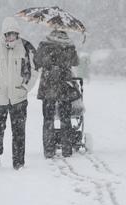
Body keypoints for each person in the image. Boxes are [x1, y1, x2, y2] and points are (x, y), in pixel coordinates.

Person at [0, 17, 38, 170]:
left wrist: (25, 87)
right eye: (8, 33)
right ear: (4, 33)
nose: (11, 36)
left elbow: (35, 69)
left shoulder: (26, 47)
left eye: (14, 33)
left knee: (19, 132)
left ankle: (18, 163)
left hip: (18, 98)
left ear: (17, 33)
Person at [34, 30, 79, 158]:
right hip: (65, 87)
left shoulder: (44, 46)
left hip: (48, 87)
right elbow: (75, 62)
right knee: (65, 119)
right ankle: (66, 148)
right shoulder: (68, 47)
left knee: (48, 119)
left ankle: (49, 149)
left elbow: (37, 62)